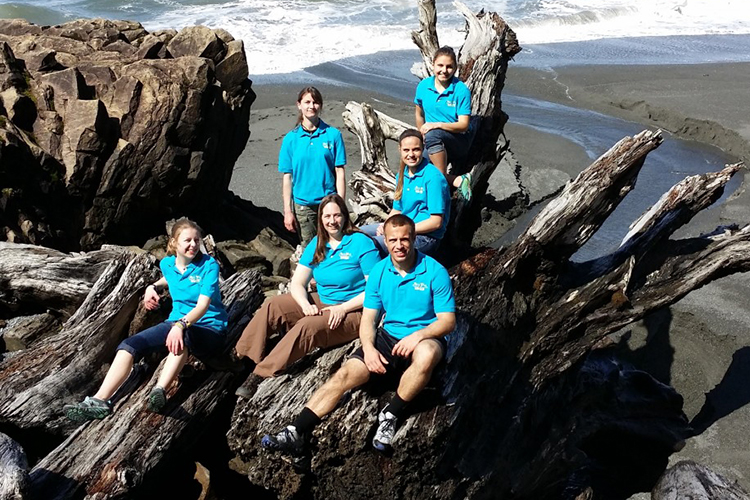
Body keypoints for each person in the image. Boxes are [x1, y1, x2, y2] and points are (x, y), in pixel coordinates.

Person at [261, 214, 455, 454]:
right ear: (385, 238)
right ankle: (296, 430)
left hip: (425, 336)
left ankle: (390, 414)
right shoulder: (380, 272)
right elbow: (369, 319)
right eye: (393, 240)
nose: (399, 245)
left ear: (414, 239)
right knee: (345, 374)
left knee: (426, 354)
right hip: (389, 336)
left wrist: (417, 336)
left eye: (405, 239)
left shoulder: (434, 271)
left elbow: (448, 322)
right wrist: (370, 348)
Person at [63, 218, 229, 422]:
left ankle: (159, 391)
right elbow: (170, 277)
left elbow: (202, 306)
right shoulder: (167, 264)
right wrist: (153, 287)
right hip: (176, 323)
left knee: (182, 339)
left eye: (196, 240)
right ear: (174, 242)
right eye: (187, 240)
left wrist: (180, 325)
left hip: (209, 328)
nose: (193, 245)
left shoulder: (209, 266)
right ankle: (100, 401)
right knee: (129, 345)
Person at [234, 194, 380, 382]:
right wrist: (304, 304)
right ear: (320, 219)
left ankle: (261, 373)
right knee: (274, 305)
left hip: (356, 310)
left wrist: (343, 308)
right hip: (324, 300)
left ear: (345, 216)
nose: (332, 221)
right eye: (327, 216)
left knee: (308, 326)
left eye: (336, 215)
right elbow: (297, 282)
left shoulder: (361, 242)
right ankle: (242, 356)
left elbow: (375, 290)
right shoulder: (318, 243)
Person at [361, 129, 450, 256]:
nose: (411, 154)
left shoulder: (433, 177)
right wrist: (386, 226)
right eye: (406, 150)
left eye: (416, 149)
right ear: (400, 150)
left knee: (369, 245)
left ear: (423, 149)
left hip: (424, 237)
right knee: (356, 235)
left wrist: (401, 231)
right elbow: (397, 210)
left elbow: (436, 222)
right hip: (400, 228)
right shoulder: (402, 175)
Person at [280, 86, 347, 247]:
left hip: (329, 202)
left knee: (333, 246)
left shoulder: (333, 135)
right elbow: (287, 177)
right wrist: (288, 212)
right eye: (307, 102)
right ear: (299, 105)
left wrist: (341, 204)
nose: (311, 106)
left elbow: (340, 172)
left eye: (316, 102)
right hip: (303, 205)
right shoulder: (291, 139)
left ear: (320, 105)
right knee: (310, 250)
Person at [415, 46, 476, 201]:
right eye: (440, 66)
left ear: (455, 68)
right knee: (415, 165)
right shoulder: (423, 86)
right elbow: (419, 114)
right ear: (433, 65)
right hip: (433, 141)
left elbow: (463, 125)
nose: (444, 70)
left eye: (449, 66)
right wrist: (420, 135)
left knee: (433, 134)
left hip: (458, 141)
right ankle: (458, 180)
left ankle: (441, 184)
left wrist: (437, 125)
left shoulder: (461, 90)